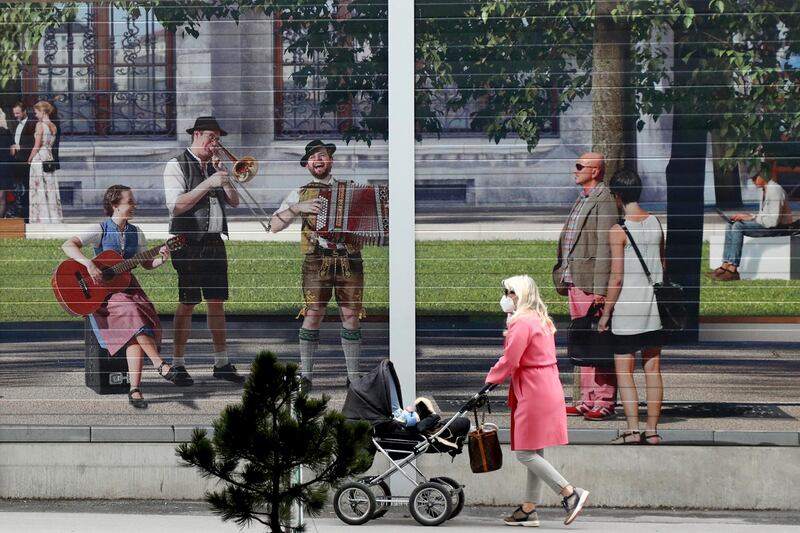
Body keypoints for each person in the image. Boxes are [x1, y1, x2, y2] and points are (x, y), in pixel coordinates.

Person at [62, 185, 188, 408]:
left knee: (136, 325)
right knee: (132, 313)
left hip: (128, 288)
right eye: (130, 201)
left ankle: (135, 389)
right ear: (115, 205)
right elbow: (68, 245)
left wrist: (161, 259)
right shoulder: (100, 229)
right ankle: (160, 365)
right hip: (104, 295)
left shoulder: (136, 232)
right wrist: (89, 264)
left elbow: (146, 263)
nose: (134, 205)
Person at [485, 275, 590, 527]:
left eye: (510, 292)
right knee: (533, 449)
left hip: (533, 389)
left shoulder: (522, 323)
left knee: (524, 452)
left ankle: (569, 493)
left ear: (520, 295)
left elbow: (511, 360)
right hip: (545, 386)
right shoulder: (539, 320)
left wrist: (489, 380)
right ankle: (528, 509)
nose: (506, 297)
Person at [270, 140, 364, 388]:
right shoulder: (299, 193)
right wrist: (297, 208)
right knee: (313, 314)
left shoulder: (350, 189)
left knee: (351, 316)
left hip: (349, 258)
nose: (318, 160)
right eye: (313, 158)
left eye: (321, 155)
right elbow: (275, 226)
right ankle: (307, 376)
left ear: (330, 160)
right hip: (316, 259)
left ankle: (354, 377)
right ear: (307, 165)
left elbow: (370, 219)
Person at [163, 116, 244, 385]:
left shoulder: (214, 168)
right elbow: (176, 205)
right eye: (211, 137)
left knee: (216, 303)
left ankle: (221, 362)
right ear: (197, 135)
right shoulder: (176, 165)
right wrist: (207, 183)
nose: (215, 143)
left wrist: (226, 179)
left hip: (214, 243)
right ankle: (177, 364)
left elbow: (234, 202)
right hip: (188, 242)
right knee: (187, 303)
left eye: (218, 139)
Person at [597, 170, 665, 445]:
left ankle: (632, 429)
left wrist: (605, 313)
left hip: (627, 308)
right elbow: (663, 263)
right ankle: (653, 430)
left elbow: (617, 277)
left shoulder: (618, 231)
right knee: (653, 369)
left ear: (618, 197)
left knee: (625, 370)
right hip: (654, 307)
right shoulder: (656, 223)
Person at [552, 152, 619, 421]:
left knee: (599, 340)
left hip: (592, 282)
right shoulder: (583, 199)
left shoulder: (605, 201)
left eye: (580, 166)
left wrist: (602, 289)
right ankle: (586, 399)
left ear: (595, 171)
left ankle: (604, 400)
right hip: (575, 279)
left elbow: (606, 248)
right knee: (582, 340)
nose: (575, 170)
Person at [710, 172, 793, 281]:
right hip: (767, 225)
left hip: (779, 228)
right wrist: (748, 217)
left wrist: (751, 217)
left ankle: (733, 270)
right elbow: (764, 216)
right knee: (730, 224)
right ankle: (725, 265)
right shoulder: (765, 189)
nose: (753, 182)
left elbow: (773, 222)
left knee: (738, 227)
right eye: (752, 179)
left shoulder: (775, 190)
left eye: (755, 178)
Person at [27, 100, 62, 224]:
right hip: (49, 158)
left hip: (40, 159)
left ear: (42, 111)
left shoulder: (40, 125)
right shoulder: (53, 125)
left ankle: (41, 219)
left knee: (39, 188)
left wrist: (29, 159)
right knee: (50, 188)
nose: (36, 115)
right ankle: (53, 217)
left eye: (36, 112)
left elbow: (37, 145)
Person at [10, 101, 36, 222]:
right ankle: (17, 214)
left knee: (26, 189)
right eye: (14, 113)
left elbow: (35, 144)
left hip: (26, 162)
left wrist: (20, 147)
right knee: (16, 189)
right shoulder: (16, 124)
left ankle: (26, 217)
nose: (16, 115)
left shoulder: (32, 124)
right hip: (16, 162)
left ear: (24, 111)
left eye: (18, 113)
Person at [0, 109, 13, 217]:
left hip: (3, 168)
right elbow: (12, 151)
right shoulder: (6, 131)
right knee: (2, 197)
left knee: (2, 197)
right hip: (4, 167)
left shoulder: (6, 132)